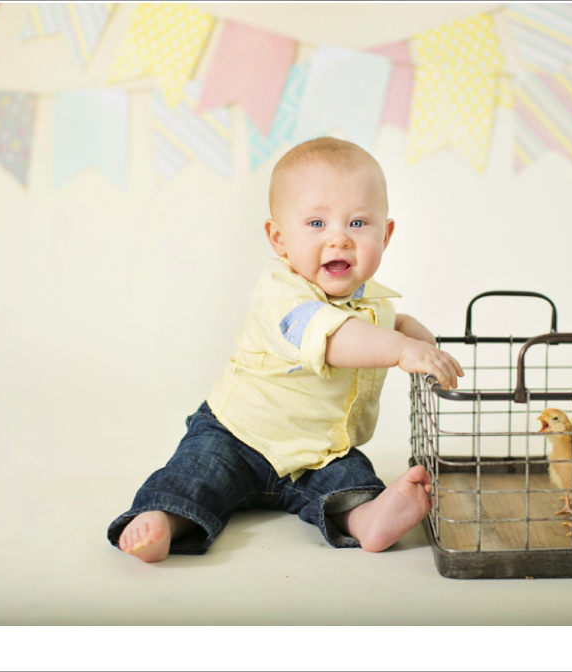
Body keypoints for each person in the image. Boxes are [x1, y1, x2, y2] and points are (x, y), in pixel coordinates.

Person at [107, 136, 464, 562]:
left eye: (357, 223)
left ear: (385, 235)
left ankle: (366, 518)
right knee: (195, 475)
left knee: (351, 478)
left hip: (318, 453)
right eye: (316, 224)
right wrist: (403, 350)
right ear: (278, 238)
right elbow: (334, 338)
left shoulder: (373, 303)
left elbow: (384, 324)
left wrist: (414, 334)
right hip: (239, 436)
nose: (339, 240)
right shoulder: (281, 296)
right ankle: (164, 518)